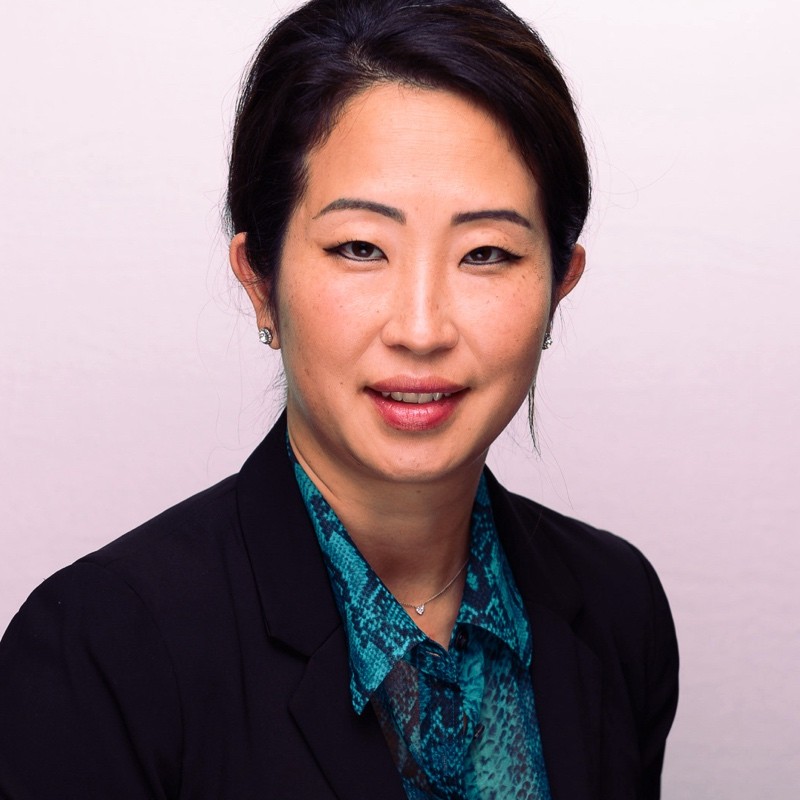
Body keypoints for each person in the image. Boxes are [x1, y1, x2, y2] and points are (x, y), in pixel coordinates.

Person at [0, 0, 678, 798]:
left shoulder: (616, 605)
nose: (421, 328)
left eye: (486, 253)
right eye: (361, 248)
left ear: (559, 286)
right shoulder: (102, 650)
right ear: (260, 280)